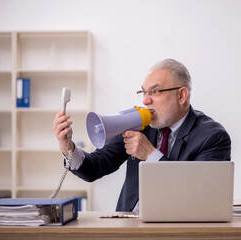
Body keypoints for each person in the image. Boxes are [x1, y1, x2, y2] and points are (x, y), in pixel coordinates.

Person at [53, 58, 231, 212]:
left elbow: (200, 195)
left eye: (155, 91)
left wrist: (150, 154)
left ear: (182, 95)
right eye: (143, 92)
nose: (146, 100)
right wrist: (68, 148)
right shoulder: (139, 124)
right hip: (130, 227)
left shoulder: (213, 137)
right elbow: (95, 167)